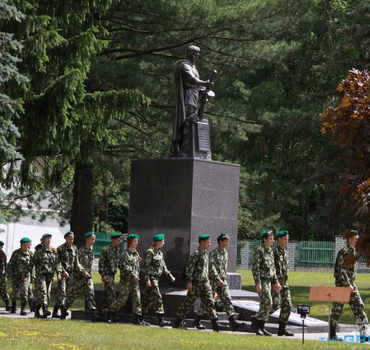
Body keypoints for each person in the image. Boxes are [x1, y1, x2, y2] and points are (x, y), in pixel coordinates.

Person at [172, 234, 227, 332]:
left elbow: (209, 269)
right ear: (202, 242)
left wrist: (217, 279)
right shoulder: (196, 254)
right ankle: (177, 322)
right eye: (208, 242)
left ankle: (215, 324)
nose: (209, 244)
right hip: (196, 283)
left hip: (205, 283)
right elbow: (189, 269)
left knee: (210, 302)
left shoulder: (205, 254)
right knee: (188, 303)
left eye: (210, 242)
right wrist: (189, 282)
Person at [170, 45, 213, 158]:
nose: (197, 57)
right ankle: (180, 150)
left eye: (198, 55)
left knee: (192, 122)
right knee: (185, 123)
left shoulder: (193, 67)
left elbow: (195, 85)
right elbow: (192, 79)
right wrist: (205, 83)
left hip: (193, 99)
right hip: (186, 99)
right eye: (195, 55)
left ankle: (189, 150)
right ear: (189, 53)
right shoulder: (184, 65)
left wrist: (202, 90)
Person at [196, 232, 244, 331]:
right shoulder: (214, 253)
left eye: (228, 241)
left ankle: (232, 322)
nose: (228, 243)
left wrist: (222, 280)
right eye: (226, 241)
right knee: (207, 302)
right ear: (220, 242)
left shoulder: (225, 253)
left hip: (223, 281)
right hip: (214, 281)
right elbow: (212, 268)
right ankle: (197, 320)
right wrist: (217, 279)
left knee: (227, 299)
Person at [329, 230, 368, 341]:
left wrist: (351, 285)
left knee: (359, 307)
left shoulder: (354, 251)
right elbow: (341, 270)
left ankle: (363, 334)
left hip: (351, 285)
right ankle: (332, 335)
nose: (357, 241)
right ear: (350, 238)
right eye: (356, 238)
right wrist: (347, 284)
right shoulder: (344, 252)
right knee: (337, 310)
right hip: (343, 285)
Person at [61, 231, 101, 322]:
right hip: (79, 277)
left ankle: (93, 315)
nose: (93, 241)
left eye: (94, 239)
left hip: (88, 278)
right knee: (71, 296)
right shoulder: (80, 251)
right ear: (87, 240)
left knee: (91, 295)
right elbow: (77, 264)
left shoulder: (91, 252)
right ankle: (64, 310)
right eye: (92, 239)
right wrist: (84, 272)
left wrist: (89, 274)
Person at [107, 234, 145, 325]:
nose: (136, 243)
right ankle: (109, 312)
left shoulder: (135, 253)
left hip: (134, 281)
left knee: (137, 299)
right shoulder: (125, 254)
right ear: (130, 242)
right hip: (126, 280)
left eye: (137, 241)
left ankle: (137, 319)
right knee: (122, 299)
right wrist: (133, 275)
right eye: (135, 241)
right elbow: (126, 267)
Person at [251, 229, 281, 336]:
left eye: (273, 238)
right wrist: (257, 283)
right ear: (264, 239)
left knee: (276, 304)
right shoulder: (260, 251)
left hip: (270, 281)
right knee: (267, 302)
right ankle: (256, 324)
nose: (273, 241)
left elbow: (272, 269)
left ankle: (261, 324)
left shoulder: (270, 252)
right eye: (270, 239)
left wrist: (276, 282)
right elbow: (255, 268)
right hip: (262, 281)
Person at [141, 234, 176, 327]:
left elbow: (163, 267)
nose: (164, 243)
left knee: (147, 300)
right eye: (163, 241)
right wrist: (146, 279)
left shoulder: (160, 253)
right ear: (158, 242)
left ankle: (139, 317)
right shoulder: (150, 252)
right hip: (152, 278)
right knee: (157, 297)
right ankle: (161, 320)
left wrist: (170, 276)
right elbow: (146, 267)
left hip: (157, 278)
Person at [53, 231, 87, 318]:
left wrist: (84, 272)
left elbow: (77, 263)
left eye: (72, 239)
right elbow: (57, 262)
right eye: (70, 239)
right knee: (62, 291)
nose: (71, 240)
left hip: (71, 273)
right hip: (62, 273)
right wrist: (63, 271)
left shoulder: (75, 248)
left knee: (65, 293)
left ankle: (55, 311)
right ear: (65, 238)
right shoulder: (60, 249)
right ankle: (63, 311)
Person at [29, 233, 60, 318]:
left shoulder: (53, 251)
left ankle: (37, 311)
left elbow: (56, 263)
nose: (49, 240)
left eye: (50, 238)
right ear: (43, 240)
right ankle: (45, 309)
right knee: (43, 292)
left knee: (46, 294)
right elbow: (32, 263)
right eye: (47, 238)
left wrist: (56, 274)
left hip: (49, 275)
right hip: (40, 275)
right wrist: (27, 273)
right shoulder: (39, 251)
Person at [269, 230, 294, 336]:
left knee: (287, 305)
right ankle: (258, 319)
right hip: (276, 283)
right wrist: (274, 282)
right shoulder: (274, 252)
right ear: (279, 239)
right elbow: (272, 268)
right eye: (285, 239)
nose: (286, 241)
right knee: (275, 305)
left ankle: (282, 329)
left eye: (287, 239)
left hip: (284, 283)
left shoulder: (285, 252)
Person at [7, 237, 33, 315]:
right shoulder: (16, 253)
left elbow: (33, 266)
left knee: (24, 291)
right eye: (24, 245)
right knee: (15, 292)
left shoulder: (30, 254)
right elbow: (11, 264)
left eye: (27, 245)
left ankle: (23, 308)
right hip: (16, 276)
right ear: (21, 245)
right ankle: (14, 307)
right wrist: (9, 274)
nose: (26, 246)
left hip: (25, 277)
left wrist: (33, 277)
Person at [98, 232, 122, 313]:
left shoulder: (117, 250)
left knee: (106, 295)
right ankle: (112, 313)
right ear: (113, 240)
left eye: (120, 240)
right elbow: (101, 264)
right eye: (118, 240)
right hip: (107, 275)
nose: (119, 242)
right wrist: (103, 275)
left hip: (113, 275)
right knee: (112, 294)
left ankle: (100, 312)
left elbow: (118, 263)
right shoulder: (106, 250)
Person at [0, 241, 10, 311]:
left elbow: (5, 266)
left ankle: (7, 304)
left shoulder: (3, 255)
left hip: (1, 276)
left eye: (1, 247)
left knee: (3, 290)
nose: (1, 248)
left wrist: (7, 274)